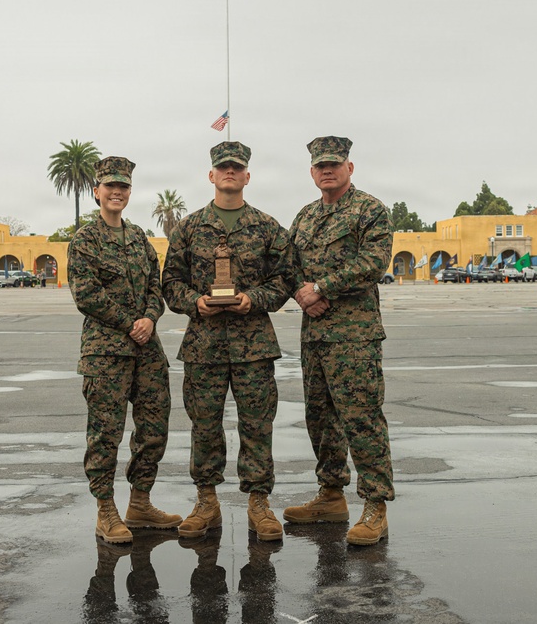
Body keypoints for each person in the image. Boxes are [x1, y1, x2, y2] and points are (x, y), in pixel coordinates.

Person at [162, 141, 292, 542]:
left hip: (254, 345)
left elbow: (286, 279)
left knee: (257, 425)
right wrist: (195, 302)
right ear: (212, 175)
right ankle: (206, 501)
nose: (230, 173)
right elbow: (170, 282)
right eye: (223, 168)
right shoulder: (188, 227)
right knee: (204, 426)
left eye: (237, 167)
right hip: (204, 344)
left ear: (247, 176)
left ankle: (259, 503)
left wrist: (256, 299)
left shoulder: (268, 227)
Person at [283, 135, 395, 546]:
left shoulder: (370, 210)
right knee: (320, 418)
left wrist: (322, 288)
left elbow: (373, 263)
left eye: (335, 163)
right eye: (319, 165)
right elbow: (287, 264)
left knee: (361, 419)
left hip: (354, 335)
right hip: (314, 334)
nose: (327, 170)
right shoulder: (306, 216)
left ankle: (375, 505)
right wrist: (300, 292)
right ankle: (330, 495)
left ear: (350, 167)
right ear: (312, 172)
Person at [67, 155, 181, 544]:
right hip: (106, 352)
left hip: (147, 349)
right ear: (96, 191)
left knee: (154, 428)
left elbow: (156, 286)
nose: (117, 192)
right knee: (106, 433)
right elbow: (85, 294)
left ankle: (141, 503)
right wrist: (128, 322)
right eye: (110, 187)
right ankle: (105, 510)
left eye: (124, 187)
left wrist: (149, 318)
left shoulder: (138, 239)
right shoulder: (85, 240)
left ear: (129, 192)